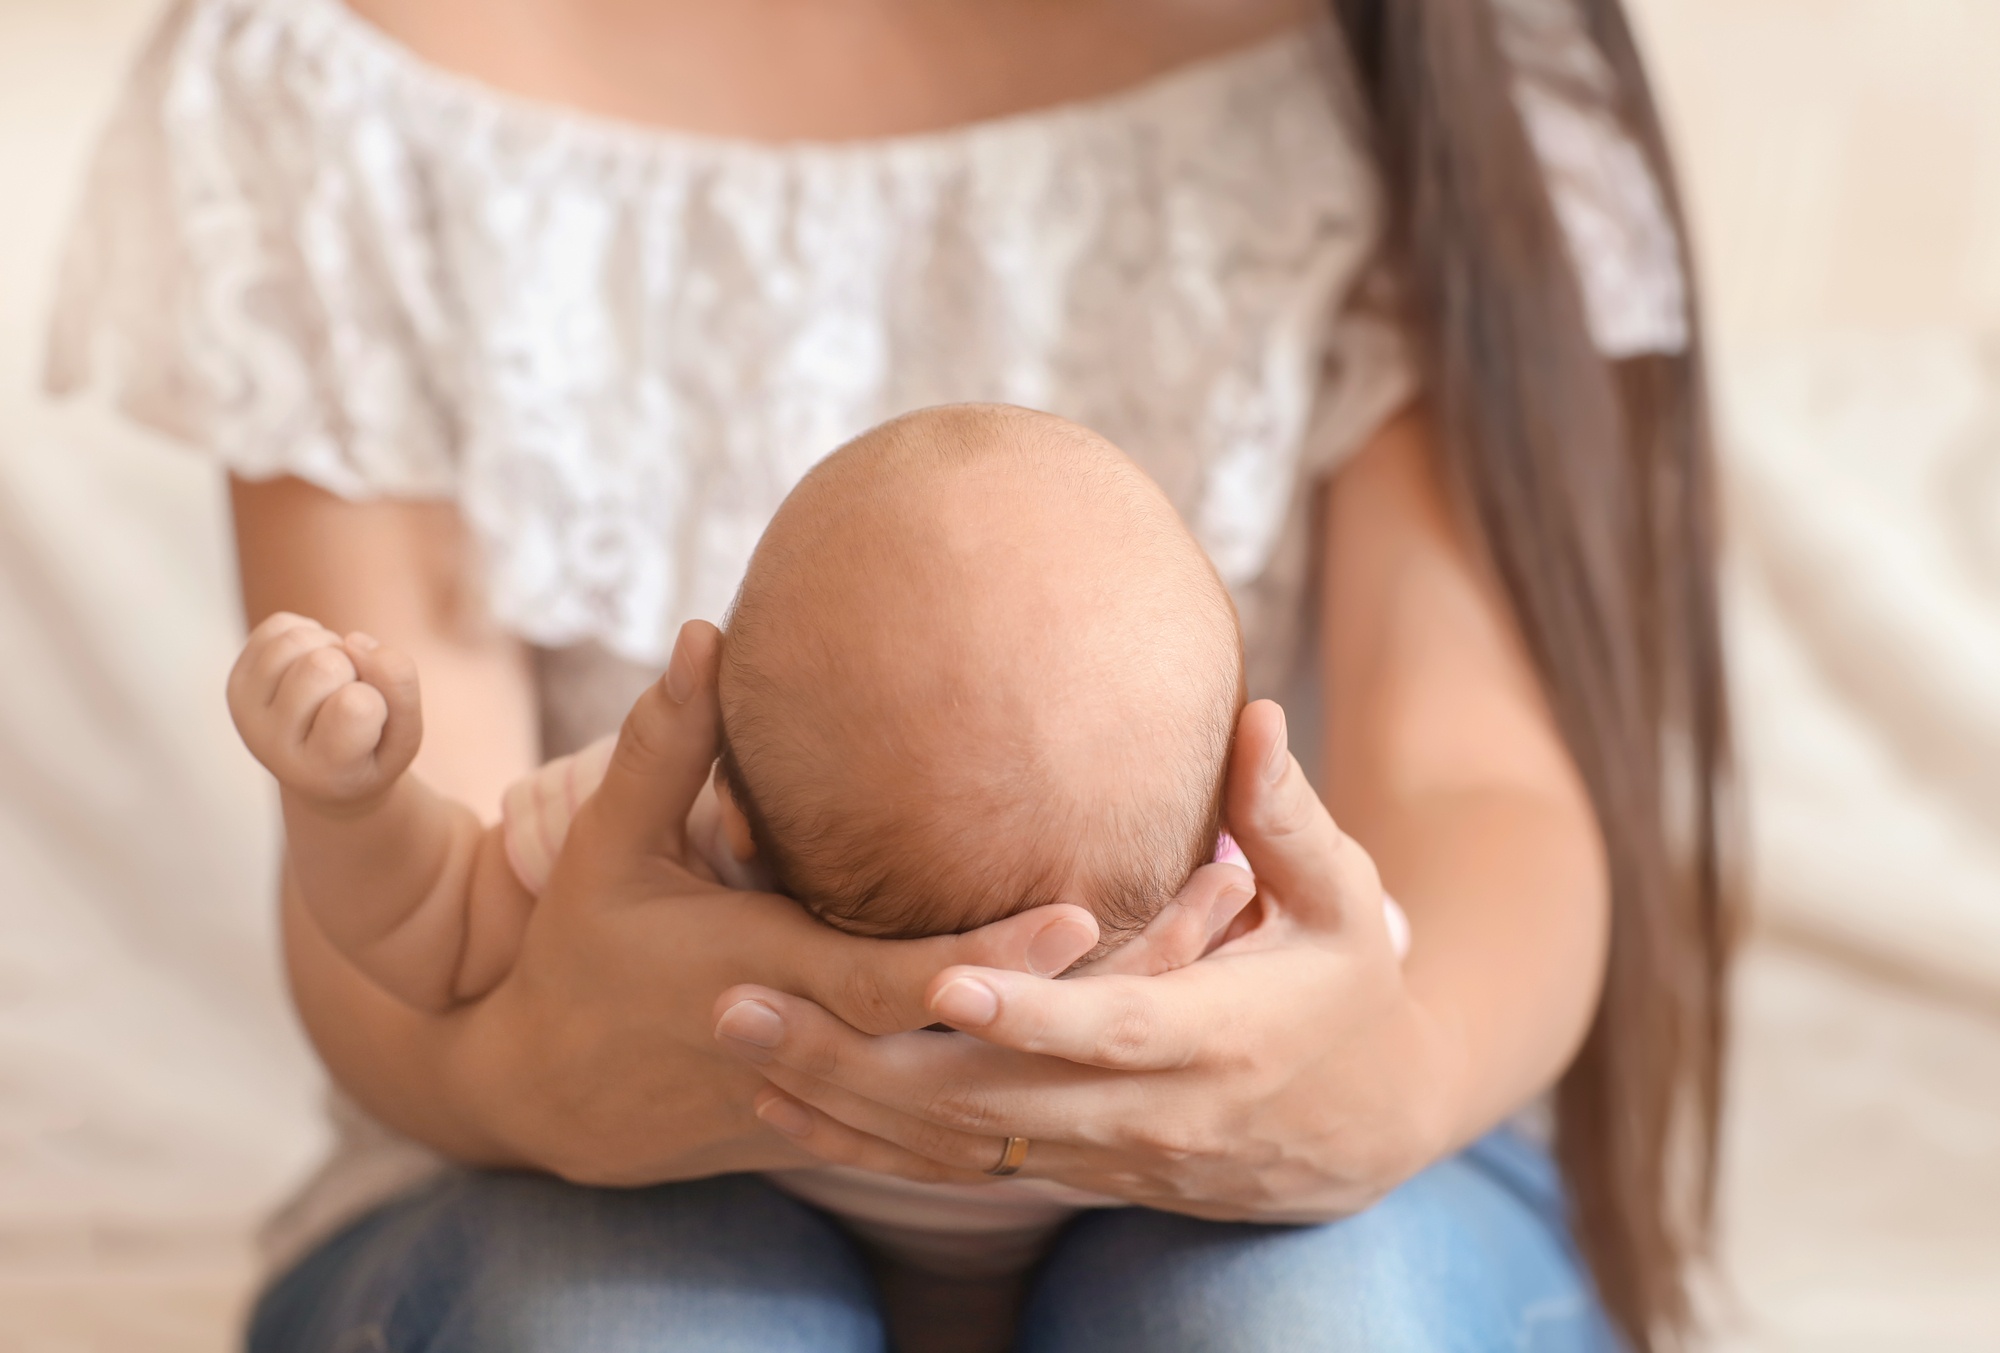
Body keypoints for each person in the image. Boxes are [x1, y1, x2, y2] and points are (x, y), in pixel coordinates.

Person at [45, 0, 1733, 1349]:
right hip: (565, 1178)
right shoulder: (353, 76)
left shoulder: (1441, 62)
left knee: (1309, 1313)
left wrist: (1378, 1073)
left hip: (1278, 1181)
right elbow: (426, 945)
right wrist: (398, 860)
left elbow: (1482, 787)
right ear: (736, 794)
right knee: (611, 1320)